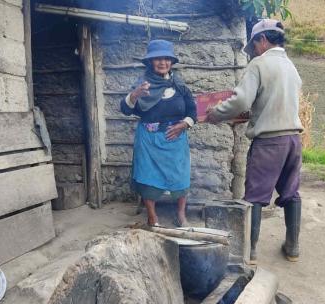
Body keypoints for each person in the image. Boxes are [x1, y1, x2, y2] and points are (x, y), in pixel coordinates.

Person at [206, 19, 303, 263]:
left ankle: (249, 251)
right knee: (291, 193)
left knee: (256, 196)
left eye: (255, 44)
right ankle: (292, 248)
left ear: (262, 40)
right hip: (292, 140)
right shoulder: (291, 66)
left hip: (270, 143)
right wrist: (254, 114)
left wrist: (216, 113)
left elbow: (240, 101)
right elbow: (275, 102)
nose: (255, 50)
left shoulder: (258, 64)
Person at [120, 40, 197, 227]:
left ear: (171, 61)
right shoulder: (142, 85)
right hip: (148, 140)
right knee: (148, 177)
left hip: (175, 138)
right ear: (150, 62)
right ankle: (152, 217)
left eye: (166, 58)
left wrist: (184, 125)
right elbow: (125, 109)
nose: (163, 62)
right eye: (157, 59)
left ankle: (181, 215)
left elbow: (193, 111)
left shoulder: (179, 85)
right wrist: (135, 94)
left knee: (180, 176)